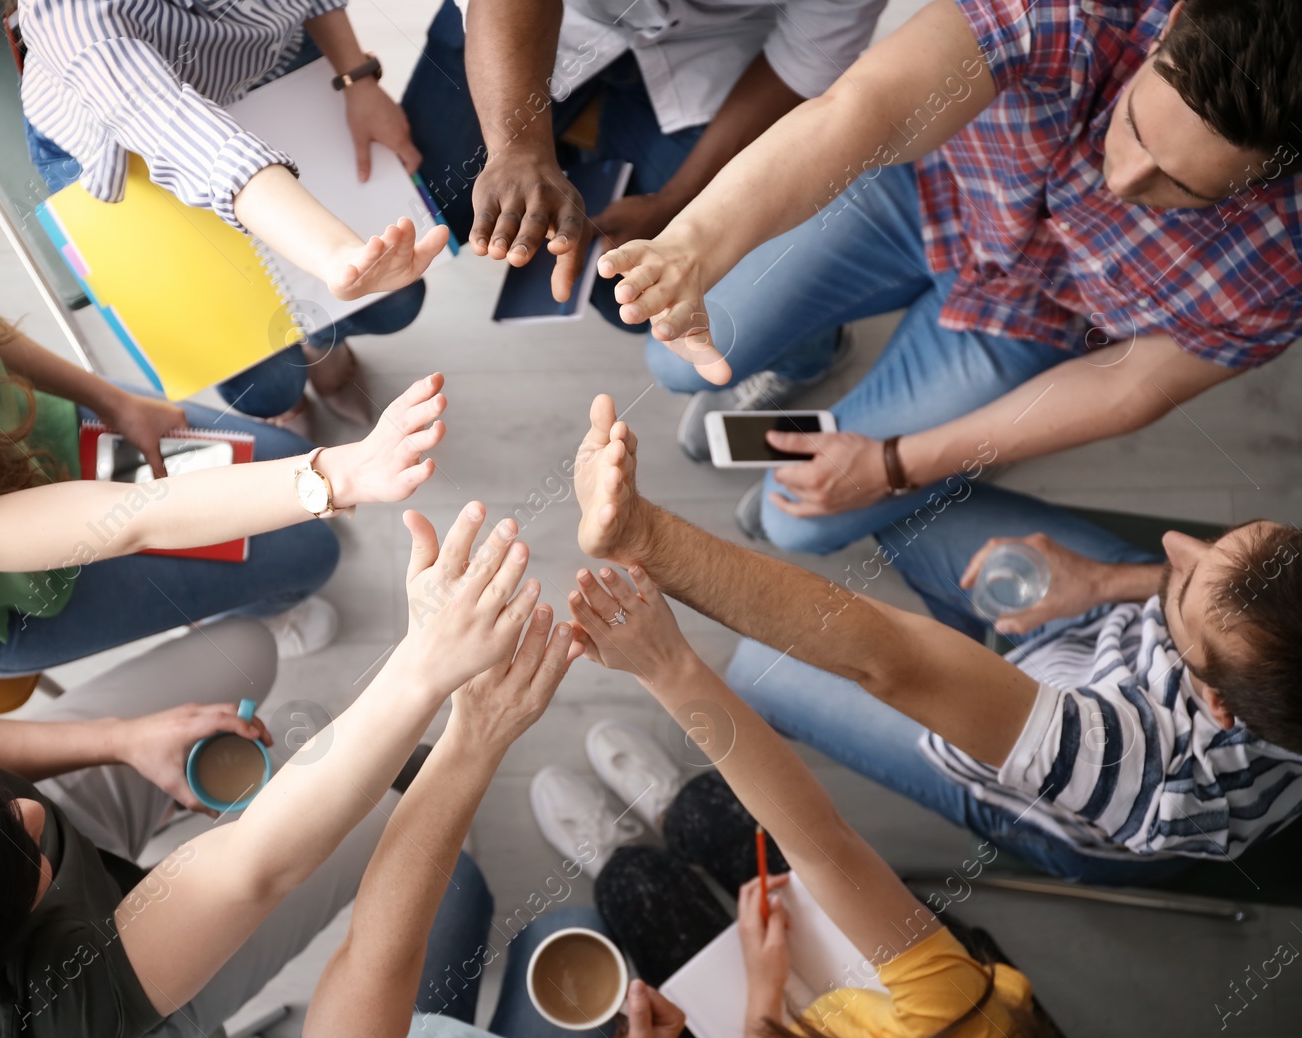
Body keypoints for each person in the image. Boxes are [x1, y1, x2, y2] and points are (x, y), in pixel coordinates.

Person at [0, 501, 540, 1038]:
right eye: (23, 853)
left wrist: (127, 742)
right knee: (395, 809)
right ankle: (401, 771)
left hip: (68, 881)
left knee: (242, 650)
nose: (30, 809)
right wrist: (425, 667)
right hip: (121, 986)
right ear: (2, 946)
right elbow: (255, 864)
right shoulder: (40, 1029)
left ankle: (347, 755)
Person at [599, 0, 1302, 542]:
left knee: (795, 523)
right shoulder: (1069, 10)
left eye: (1186, 190)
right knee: (674, 362)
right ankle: (813, 353)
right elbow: (862, 110)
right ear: (1174, 19)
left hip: (1041, 318)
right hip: (925, 191)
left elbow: (1132, 384)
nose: (1124, 179)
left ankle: (954, 440)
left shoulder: (1288, 259)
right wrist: (692, 242)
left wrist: (899, 463)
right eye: (1139, 127)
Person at [570, 395, 1302, 883]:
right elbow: (1209, 607)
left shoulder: (1143, 768)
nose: (1173, 542)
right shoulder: (1249, 641)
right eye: (1212, 547)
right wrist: (1113, 583)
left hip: (1043, 772)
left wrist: (646, 536)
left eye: (1183, 581)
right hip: (1099, 635)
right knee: (881, 490)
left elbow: (891, 657)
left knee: (760, 668)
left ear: (1214, 698)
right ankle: (801, 511)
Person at [0, 218, 447, 674]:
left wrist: (111, 398)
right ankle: (262, 608)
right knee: (310, 553)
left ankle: (257, 582)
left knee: (272, 494)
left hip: (43, 445)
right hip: (3, 599)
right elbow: (132, 517)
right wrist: (337, 471)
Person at [564, 559, 1084, 1038]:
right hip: (904, 994)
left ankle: (627, 846)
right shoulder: (970, 1032)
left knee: (632, 882)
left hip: (778, 1030)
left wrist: (764, 994)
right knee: (703, 811)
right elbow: (820, 843)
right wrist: (667, 666)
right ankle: (672, 812)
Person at [17, 0, 450, 429]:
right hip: (115, 146)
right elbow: (176, 129)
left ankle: (320, 341)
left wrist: (357, 79)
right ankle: (296, 383)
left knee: (395, 306)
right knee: (266, 386)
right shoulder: (64, 10)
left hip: (267, 71)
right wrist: (335, 255)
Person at [287, 583, 638, 1038]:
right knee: (578, 924)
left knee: (457, 881)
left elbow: (367, 976)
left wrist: (467, 736)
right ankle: (450, 832)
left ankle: (449, 834)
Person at [402, 0, 886, 331]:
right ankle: (560, 153)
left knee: (632, 288)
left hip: (712, 48)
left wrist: (675, 199)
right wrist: (516, 146)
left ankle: (812, 338)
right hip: (547, 18)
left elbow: (808, 55)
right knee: (432, 202)